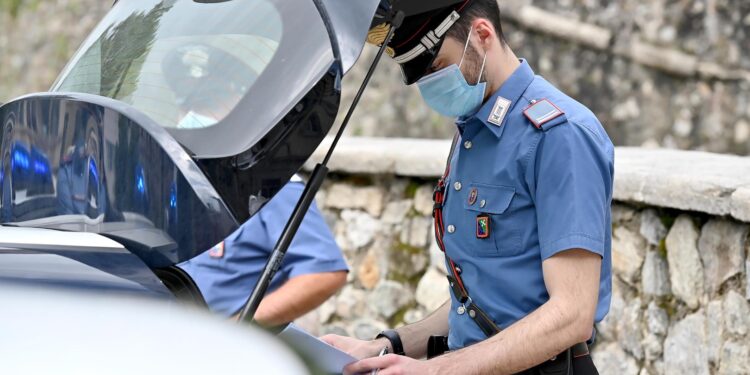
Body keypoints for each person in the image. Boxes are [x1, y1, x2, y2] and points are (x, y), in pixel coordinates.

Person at [322, 1, 614, 374]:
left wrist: (435, 370)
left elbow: (572, 314)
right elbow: (479, 299)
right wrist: (384, 347)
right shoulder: (473, 131)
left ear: (482, 35)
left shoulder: (559, 135)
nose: (431, 86)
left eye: (439, 67)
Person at [179, 176, 348, 327]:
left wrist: (239, 327)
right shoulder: (191, 180)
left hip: (229, 348)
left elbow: (323, 274)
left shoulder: (276, 189)